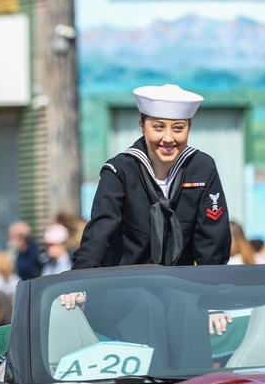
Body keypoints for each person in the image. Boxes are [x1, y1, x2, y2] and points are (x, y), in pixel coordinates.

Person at [72, 83, 231, 270]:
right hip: (126, 285)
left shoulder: (202, 167)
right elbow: (101, 231)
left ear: (190, 127)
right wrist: (80, 278)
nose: (168, 138)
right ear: (142, 125)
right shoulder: (119, 170)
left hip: (182, 288)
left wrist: (212, 287)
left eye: (178, 128)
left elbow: (212, 239)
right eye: (158, 127)